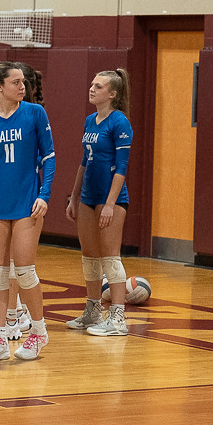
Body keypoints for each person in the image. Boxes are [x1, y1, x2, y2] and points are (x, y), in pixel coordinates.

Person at [0, 63, 55, 362]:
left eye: (23, 82)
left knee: (25, 271)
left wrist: (45, 194)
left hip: (27, 203)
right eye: (15, 82)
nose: (23, 87)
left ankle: (39, 332)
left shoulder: (34, 113)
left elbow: (50, 158)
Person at [65, 68, 133, 336]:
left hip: (110, 199)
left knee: (110, 257)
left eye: (99, 86)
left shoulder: (119, 122)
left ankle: (118, 319)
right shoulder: (89, 121)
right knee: (89, 256)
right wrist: (73, 196)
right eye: (92, 84)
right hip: (87, 196)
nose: (92, 89)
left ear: (112, 93)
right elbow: (84, 161)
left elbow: (122, 167)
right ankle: (93, 312)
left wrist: (109, 204)